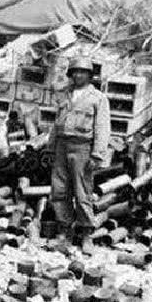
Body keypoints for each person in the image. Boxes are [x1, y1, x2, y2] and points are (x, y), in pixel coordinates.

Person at [48, 56, 110, 254]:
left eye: (83, 72)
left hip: (82, 148)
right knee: (59, 190)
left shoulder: (98, 98)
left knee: (83, 193)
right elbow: (56, 123)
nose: (78, 75)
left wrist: (97, 154)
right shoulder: (65, 95)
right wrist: (50, 147)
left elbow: (102, 127)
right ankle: (64, 232)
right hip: (62, 146)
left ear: (89, 75)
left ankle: (86, 234)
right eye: (75, 72)